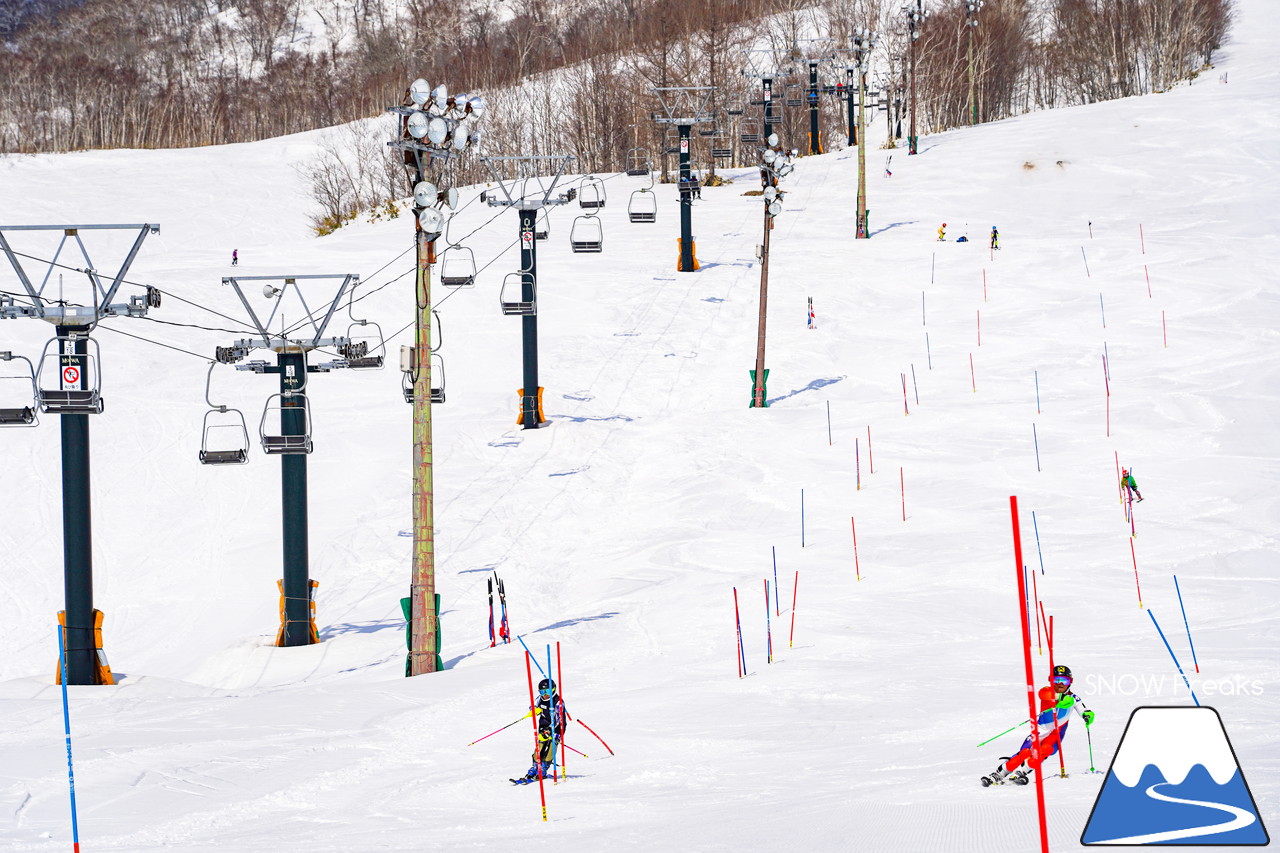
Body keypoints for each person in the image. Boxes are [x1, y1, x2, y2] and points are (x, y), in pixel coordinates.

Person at [984, 665, 1094, 786]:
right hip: (1039, 731)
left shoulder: (1073, 698)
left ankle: (1022, 772)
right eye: (1056, 680)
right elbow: (1044, 695)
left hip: (1055, 735)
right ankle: (998, 774)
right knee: (1025, 752)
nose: (1060, 684)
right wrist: (1060, 697)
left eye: (1064, 680)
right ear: (1050, 680)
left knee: (1045, 750)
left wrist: (1087, 716)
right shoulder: (1047, 690)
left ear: (1070, 682)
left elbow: (1084, 710)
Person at [513, 678, 568, 784]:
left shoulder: (558, 702)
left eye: (547, 691)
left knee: (550, 748)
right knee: (540, 747)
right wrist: (534, 710)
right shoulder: (540, 698)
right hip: (543, 725)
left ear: (553, 690)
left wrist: (549, 730)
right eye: (542, 692)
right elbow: (533, 705)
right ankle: (535, 767)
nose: (545, 694)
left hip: (557, 728)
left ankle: (543, 769)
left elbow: (558, 720)